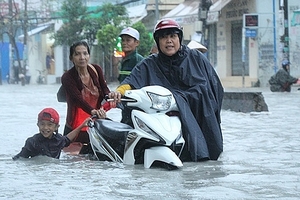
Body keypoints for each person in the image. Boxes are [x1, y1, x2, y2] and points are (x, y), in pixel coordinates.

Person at [109, 18, 224, 162]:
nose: (169, 41)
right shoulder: (149, 63)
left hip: (196, 114)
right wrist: (118, 93)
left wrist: (186, 98)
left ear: (179, 38)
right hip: (162, 118)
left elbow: (214, 87)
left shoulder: (196, 58)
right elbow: (131, 82)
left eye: (172, 36)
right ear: (158, 41)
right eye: (164, 37)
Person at [61, 41, 112, 153]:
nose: (82, 57)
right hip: (75, 129)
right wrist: (93, 111)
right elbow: (78, 99)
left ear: (89, 55)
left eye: (85, 53)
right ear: (71, 58)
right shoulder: (67, 77)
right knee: (73, 161)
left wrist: (110, 98)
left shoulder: (96, 70)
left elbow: (104, 90)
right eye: (77, 54)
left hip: (95, 125)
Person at [12, 108, 91, 160]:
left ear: (56, 127)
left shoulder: (58, 140)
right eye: (42, 124)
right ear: (38, 125)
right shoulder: (32, 142)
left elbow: (68, 138)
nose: (45, 128)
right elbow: (20, 158)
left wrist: (82, 126)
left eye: (50, 125)